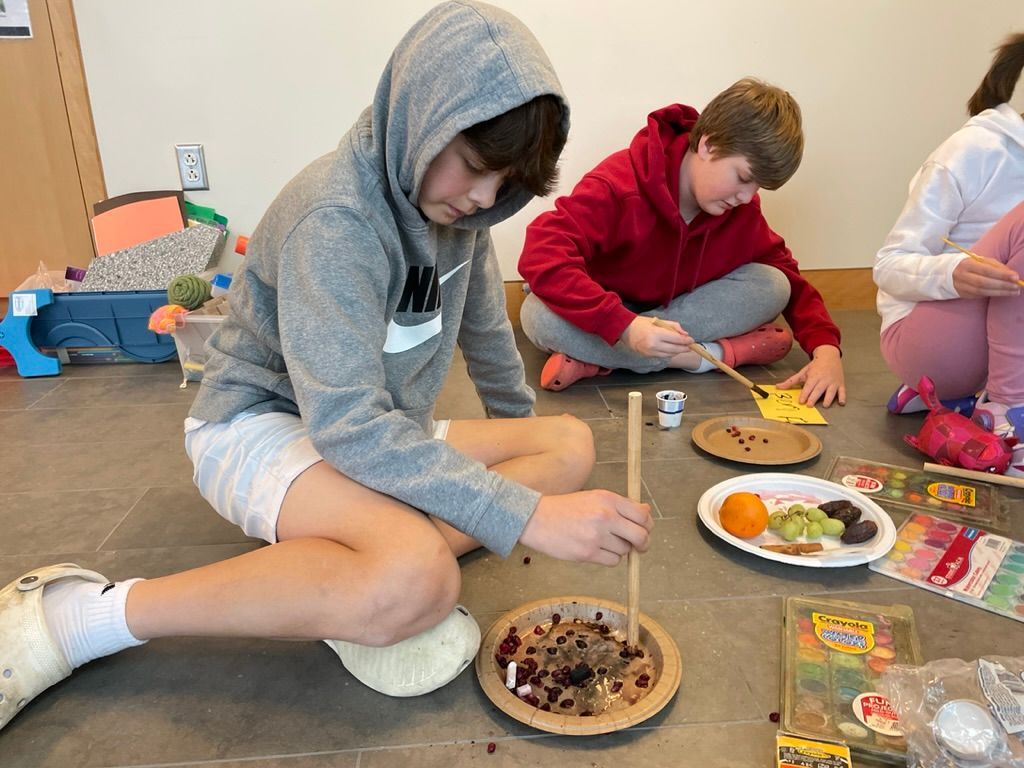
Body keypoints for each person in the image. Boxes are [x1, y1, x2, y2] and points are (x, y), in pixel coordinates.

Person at [0, 1, 654, 733]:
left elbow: (490, 346)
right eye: (473, 167)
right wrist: (524, 514)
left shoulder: (463, 217)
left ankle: (355, 567)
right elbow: (343, 425)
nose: (482, 198)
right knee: (422, 578)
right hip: (261, 426)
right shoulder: (335, 219)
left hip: (375, 426)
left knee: (567, 444)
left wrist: (525, 492)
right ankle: (84, 616)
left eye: (504, 186)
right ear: (423, 116)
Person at [517, 78, 846, 408]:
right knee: (539, 315)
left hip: (670, 316)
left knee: (774, 285)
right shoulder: (619, 184)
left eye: (758, 187)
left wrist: (826, 349)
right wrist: (625, 326)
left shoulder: (742, 209)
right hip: (611, 311)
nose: (747, 196)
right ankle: (713, 356)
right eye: (744, 177)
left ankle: (600, 361)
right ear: (708, 145)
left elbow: (785, 273)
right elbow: (541, 249)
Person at [874, 32, 1024, 475]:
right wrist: (954, 272)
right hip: (923, 337)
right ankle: (1006, 411)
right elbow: (888, 265)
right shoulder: (973, 152)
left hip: (990, 350)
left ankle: (962, 400)